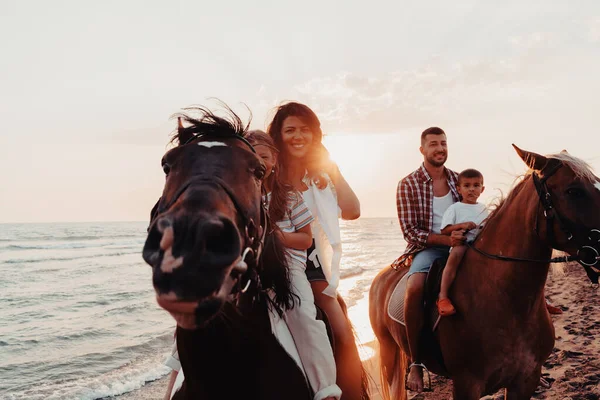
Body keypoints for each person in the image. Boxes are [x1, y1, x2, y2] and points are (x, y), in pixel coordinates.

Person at [266, 102, 364, 400]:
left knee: (341, 328)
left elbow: (353, 210)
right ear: (279, 135)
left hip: (310, 262)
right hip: (268, 257)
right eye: (290, 130)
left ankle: (350, 395)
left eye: (305, 130)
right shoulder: (269, 172)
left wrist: (332, 169)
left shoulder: (320, 176)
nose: (298, 136)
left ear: (314, 135)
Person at [245, 130, 341, 400]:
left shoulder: (288, 196)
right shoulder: (239, 198)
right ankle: (178, 379)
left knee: (301, 313)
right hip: (249, 263)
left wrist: (277, 237)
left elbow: (306, 238)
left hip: (286, 263)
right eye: (251, 157)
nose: (259, 163)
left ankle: (325, 388)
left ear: (274, 160)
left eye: (263, 156)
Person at [394, 127, 462, 392]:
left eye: (443, 143)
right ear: (422, 150)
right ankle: (416, 362)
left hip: (463, 245)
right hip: (429, 249)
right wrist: (446, 241)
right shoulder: (408, 184)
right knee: (415, 288)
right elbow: (410, 231)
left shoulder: (459, 180)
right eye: (433, 144)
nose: (440, 148)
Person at [437, 169, 489, 316]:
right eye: (467, 186)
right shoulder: (455, 208)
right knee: (455, 256)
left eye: (476, 185)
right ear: (459, 189)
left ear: (482, 189)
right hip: (463, 243)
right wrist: (462, 225)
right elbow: (444, 229)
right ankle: (443, 296)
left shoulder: (485, 208)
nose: (472, 189)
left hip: (481, 245)